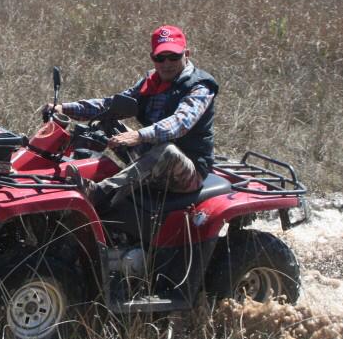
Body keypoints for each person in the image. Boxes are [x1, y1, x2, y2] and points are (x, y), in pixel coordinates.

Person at [48, 25, 218, 207]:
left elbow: (180, 122)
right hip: (152, 154)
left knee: (167, 150)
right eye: (160, 58)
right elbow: (110, 105)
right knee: (107, 118)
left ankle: (100, 193)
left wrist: (138, 135)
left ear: (187, 54)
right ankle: (59, 162)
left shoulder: (200, 86)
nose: (167, 63)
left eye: (174, 57)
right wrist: (64, 108)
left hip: (188, 172)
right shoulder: (151, 82)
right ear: (152, 58)